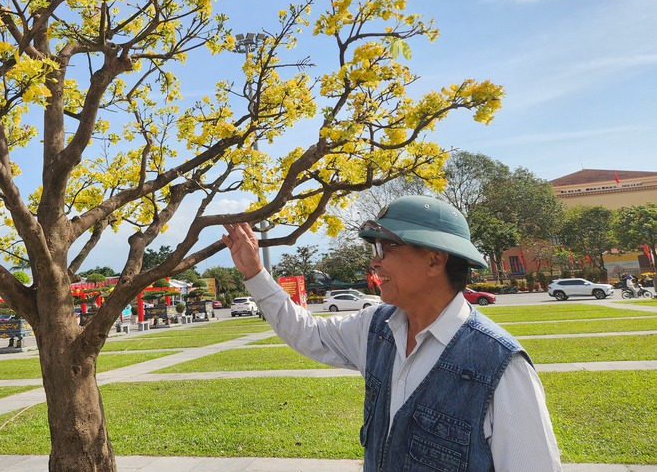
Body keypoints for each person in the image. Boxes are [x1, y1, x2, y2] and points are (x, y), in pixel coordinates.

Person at [223, 195, 561, 471]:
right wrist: (254, 273)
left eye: (387, 249)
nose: (375, 262)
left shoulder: (500, 365)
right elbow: (305, 330)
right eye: (375, 250)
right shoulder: (376, 328)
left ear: (434, 261)